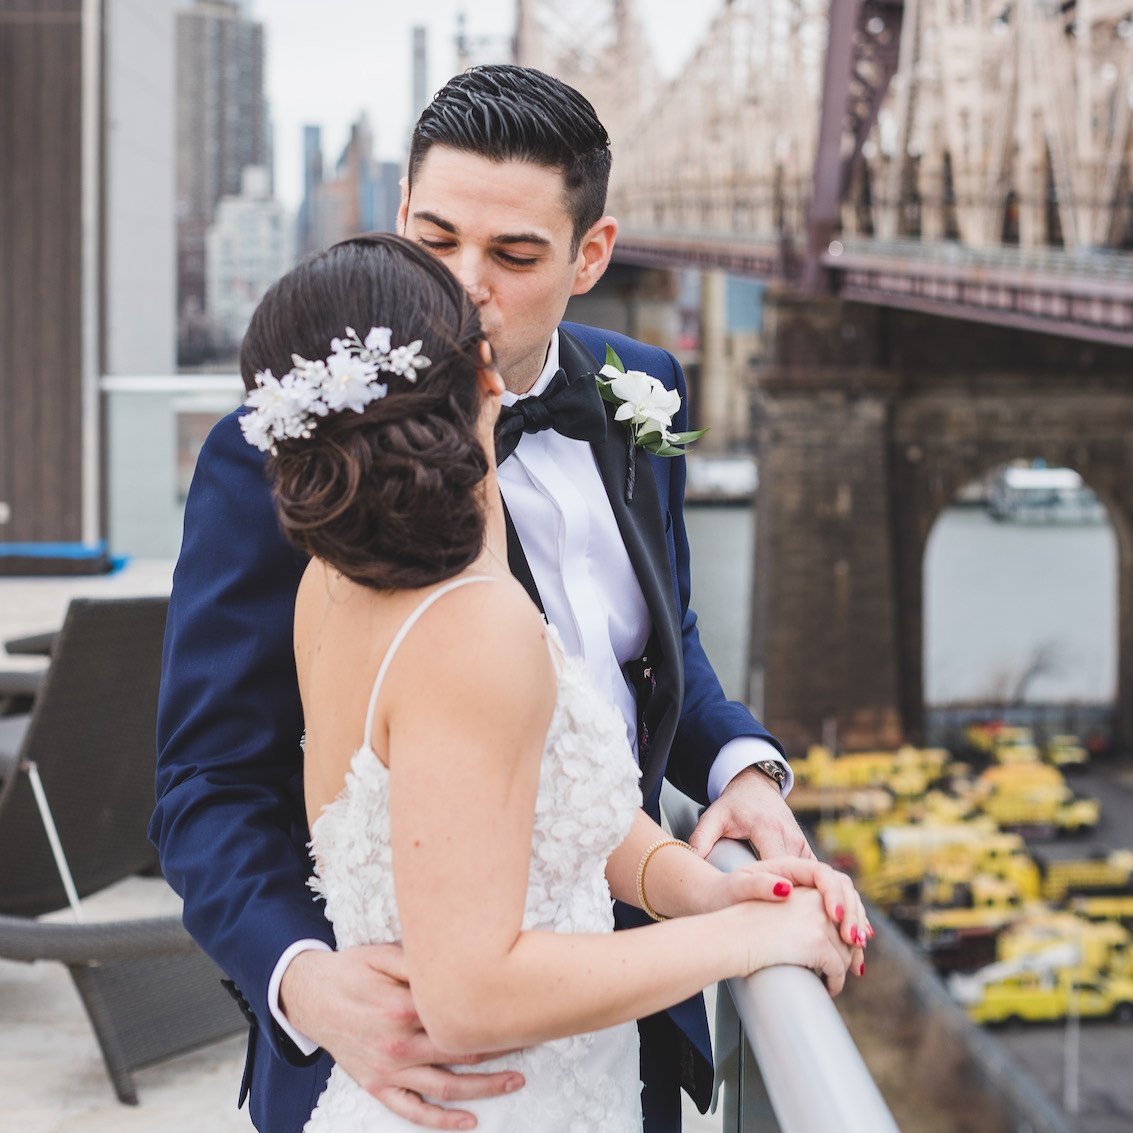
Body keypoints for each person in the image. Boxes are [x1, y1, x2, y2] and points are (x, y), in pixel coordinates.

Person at [151, 65, 843, 1133]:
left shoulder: (635, 389)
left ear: (589, 256)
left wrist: (733, 771)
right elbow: (204, 781)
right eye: (435, 241)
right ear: (395, 225)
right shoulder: (286, 464)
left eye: (514, 254)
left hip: (621, 1032)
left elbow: (650, 653)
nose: (466, 284)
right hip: (410, 1058)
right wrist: (304, 977)